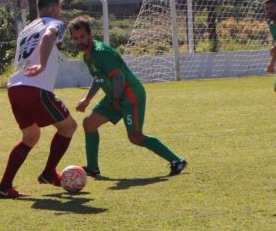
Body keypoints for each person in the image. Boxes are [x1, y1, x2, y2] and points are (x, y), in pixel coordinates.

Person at [68, 17, 187, 177]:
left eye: (82, 37)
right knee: (89, 124)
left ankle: (177, 160)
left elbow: (119, 78)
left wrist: (116, 100)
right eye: (76, 38)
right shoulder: (88, 56)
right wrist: (87, 99)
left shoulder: (101, 53)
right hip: (115, 95)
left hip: (130, 95)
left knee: (136, 137)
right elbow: (99, 77)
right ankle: (92, 168)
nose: (79, 41)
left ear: (90, 34)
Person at [0, 0, 77, 199]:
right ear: (53, 8)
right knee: (68, 127)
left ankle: (4, 187)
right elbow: (49, 35)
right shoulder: (56, 24)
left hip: (15, 87)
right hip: (35, 87)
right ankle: (49, 173)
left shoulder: (27, 29)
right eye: (58, 8)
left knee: (30, 136)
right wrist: (41, 64)